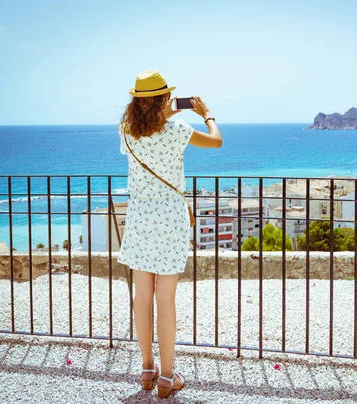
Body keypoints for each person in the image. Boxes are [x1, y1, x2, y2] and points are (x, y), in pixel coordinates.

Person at [117, 70, 222, 397]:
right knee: (166, 298)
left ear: (136, 102)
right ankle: (167, 377)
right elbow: (216, 141)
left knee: (142, 296)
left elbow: (150, 118)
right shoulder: (178, 130)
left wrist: (161, 105)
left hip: (139, 218)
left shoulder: (125, 132)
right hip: (170, 220)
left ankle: (147, 370)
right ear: (164, 99)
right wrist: (206, 114)